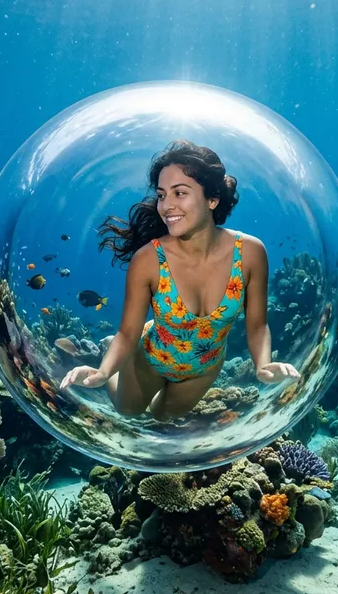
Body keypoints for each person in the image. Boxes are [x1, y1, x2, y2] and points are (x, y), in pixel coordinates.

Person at [60, 139, 300, 421]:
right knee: (128, 410)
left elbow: (257, 324)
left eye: (180, 193)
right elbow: (127, 332)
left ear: (212, 199)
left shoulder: (251, 253)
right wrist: (102, 372)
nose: (166, 206)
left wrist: (263, 365)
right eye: (162, 195)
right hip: (151, 356)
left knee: (162, 416)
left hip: (204, 368)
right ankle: (118, 360)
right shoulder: (148, 259)